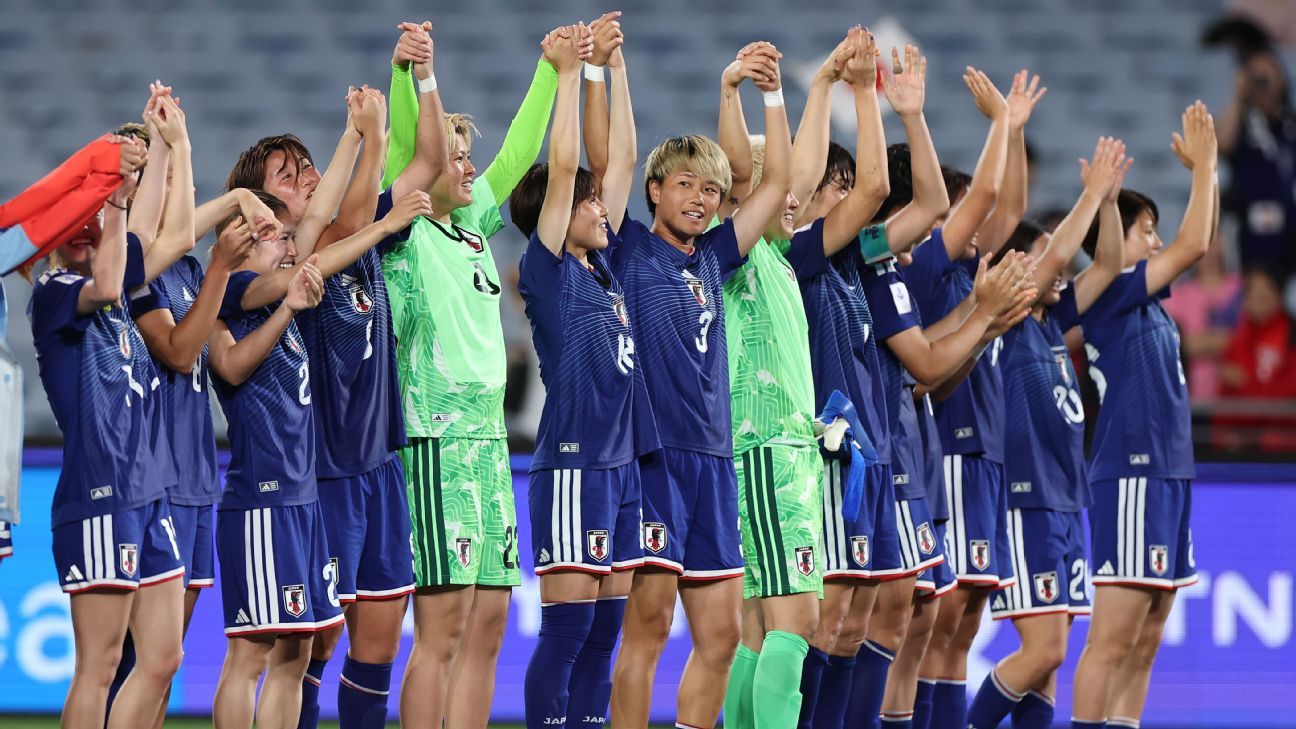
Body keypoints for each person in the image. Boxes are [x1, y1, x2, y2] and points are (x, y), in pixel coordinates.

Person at [379, 20, 592, 729]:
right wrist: (412, 77)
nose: (469, 168)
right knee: (440, 629)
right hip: (435, 442)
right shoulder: (407, 228)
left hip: (487, 446)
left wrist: (551, 72)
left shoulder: (472, 222)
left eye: (468, 157)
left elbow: (520, 153)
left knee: (488, 623)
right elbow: (414, 147)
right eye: (456, 157)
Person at [594, 33, 793, 728]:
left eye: (711, 189)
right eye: (686, 184)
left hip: (715, 459)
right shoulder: (625, 247)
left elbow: (774, 186)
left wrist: (756, 91)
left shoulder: (714, 256)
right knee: (646, 629)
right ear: (655, 190)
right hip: (653, 460)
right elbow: (609, 155)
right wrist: (613, 68)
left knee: (722, 637)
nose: (702, 199)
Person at [207, 185, 430, 729]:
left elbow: (313, 240)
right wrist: (378, 226)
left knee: (295, 653)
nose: (289, 246)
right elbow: (231, 368)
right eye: (275, 238)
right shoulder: (231, 297)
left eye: (288, 237)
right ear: (239, 250)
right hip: (262, 499)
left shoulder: (281, 309)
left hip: (301, 500)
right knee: (250, 654)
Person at [713, 31, 871, 729]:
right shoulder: (739, 242)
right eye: (767, 178)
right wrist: (742, 93)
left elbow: (796, 175)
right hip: (765, 446)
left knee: (759, 626)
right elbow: (774, 176)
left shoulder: (774, 251)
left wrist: (823, 85)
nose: (792, 189)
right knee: (795, 619)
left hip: (777, 445)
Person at [28, 91, 191, 729]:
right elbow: (104, 277)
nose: (83, 235)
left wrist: (164, 148)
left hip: (147, 490)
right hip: (101, 489)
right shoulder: (56, 294)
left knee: (163, 656)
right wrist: (119, 200)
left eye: (88, 224)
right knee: (99, 665)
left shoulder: (120, 292)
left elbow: (162, 234)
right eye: (69, 230)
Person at [512, 19, 655, 728]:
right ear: (557, 216)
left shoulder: (602, 269)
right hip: (573, 467)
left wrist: (614, 68)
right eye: (588, 203)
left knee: (603, 635)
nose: (603, 206)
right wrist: (569, 75)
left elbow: (620, 160)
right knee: (568, 632)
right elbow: (567, 169)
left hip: (619, 468)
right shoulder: (549, 273)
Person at [966, 137, 1131, 729]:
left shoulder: (1052, 324)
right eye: (1040, 258)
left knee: (1049, 663)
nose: (1057, 268)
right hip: (1026, 501)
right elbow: (1064, 251)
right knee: (1045, 649)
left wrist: (1107, 203)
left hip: (1065, 501)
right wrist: (1089, 195)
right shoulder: (1005, 318)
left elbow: (1108, 264)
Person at [1070, 101, 1219, 729]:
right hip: (1131, 474)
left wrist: (1206, 173)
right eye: (1145, 230)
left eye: (1155, 230)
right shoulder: (1108, 293)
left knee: (1150, 632)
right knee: (1114, 636)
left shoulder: (1151, 302)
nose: (1156, 241)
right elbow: (1194, 243)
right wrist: (1207, 166)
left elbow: (1194, 243)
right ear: (1117, 239)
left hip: (1169, 474)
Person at [1216, 45, 1296, 277]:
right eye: (1256, 77)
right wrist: (1238, 96)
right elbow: (1220, 143)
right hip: (1252, 237)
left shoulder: (1289, 123)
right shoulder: (1242, 122)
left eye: (1266, 75)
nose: (1262, 83)